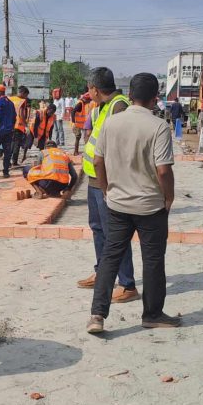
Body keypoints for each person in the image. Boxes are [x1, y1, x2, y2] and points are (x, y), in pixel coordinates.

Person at [87, 72, 177, 334]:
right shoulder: (158, 126)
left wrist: (106, 190)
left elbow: (97, 161)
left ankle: (97, 315)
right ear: (155, 98)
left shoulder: (111, 123)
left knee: (109, 258)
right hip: (150, 206)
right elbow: (163, 170)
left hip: (117, 204)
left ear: (129, 95)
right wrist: (168, 197)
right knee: (152, 260)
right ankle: (152, 314)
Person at [78, 67, 138, 303]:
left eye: (88, 88)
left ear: (95, 89)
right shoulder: (101, 108)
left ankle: (127, 284)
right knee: (98, 228)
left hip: (110, 182)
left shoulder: (119, 106)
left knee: (116, 234)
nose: (87, 92)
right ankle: (103, 273)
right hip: (94, 180)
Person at [8, 87, 30, 166]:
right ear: (23, 93)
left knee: (10, 143)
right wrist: (26, 124)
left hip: (10, 125)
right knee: (16, 144)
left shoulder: (10, 99)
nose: (26, 97)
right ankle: (14, 161)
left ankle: (8, 160)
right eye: (26, 95)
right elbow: (21, 114)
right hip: (18, 125)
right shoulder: (22, 101)